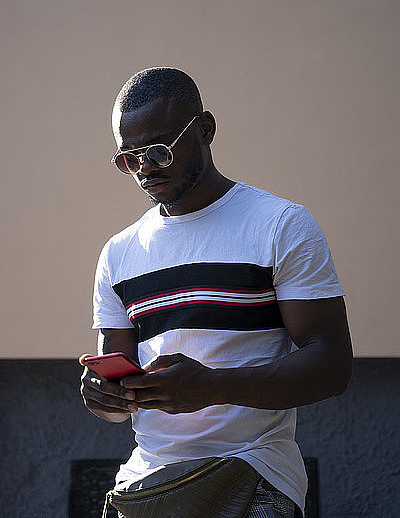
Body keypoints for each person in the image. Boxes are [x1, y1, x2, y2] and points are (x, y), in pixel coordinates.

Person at [80, 67, 353, 518]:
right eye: (129, 158)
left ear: (205, 129)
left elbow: (332, 365)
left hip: (252, 475)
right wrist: (103, 397)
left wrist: (212, 386)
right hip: (146, 485)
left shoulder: (280, 225)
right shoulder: (119, 253)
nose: (145, 167)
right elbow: (118, 398)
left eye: (159, 150)